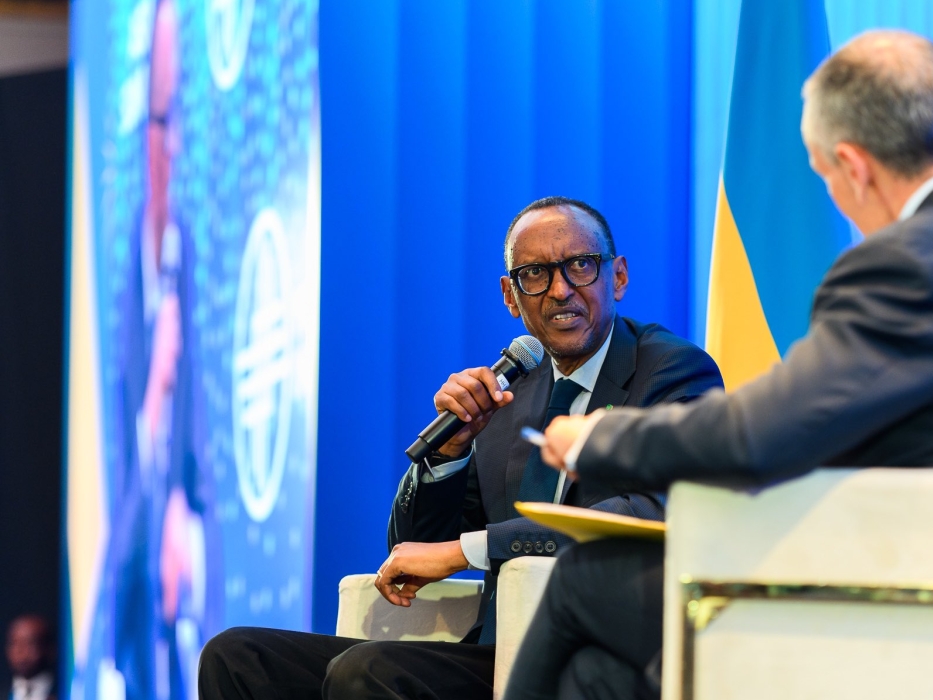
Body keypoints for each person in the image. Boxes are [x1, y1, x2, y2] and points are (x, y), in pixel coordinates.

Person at [504, 30, 933, 700]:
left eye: (823, 174)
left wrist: (600, 438)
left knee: (585, 575)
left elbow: (757, 436)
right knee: (599, 678)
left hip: (916, 619)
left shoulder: (907, 263)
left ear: (854, 165)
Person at [198, 196, 724, 699]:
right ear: (510, 296)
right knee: (237, 656)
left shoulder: (670, 371)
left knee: (369, 673)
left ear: (620, 276)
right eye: (535, 274)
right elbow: (411, 550)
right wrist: (448, 456)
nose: (561, 290)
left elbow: (651, 511)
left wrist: (467, 551)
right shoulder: (509, 387)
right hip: (495, 651)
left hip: (598, 663)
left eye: (581, 266)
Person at [91, 1, 219, 697]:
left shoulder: (192, 263)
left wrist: (184, 515)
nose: (172, 148)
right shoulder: (126, 286)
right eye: (164, 122)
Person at [5, 614, 55, 700]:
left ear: (49, 649)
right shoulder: (3, 692)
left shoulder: (68, 692)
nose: (20, 651)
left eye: (30, 644)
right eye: (14, 643)